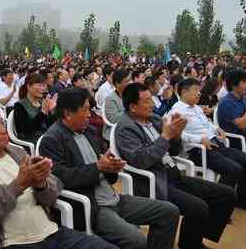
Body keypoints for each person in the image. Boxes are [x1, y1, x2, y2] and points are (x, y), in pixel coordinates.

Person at [0, 104, 119, 249]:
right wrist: (18, 185)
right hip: (12, 242)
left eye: (2, 123)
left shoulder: (17, 153)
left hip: (52, 233)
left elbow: (51, 198)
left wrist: (41, 184)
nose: (4, 130)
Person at [39, 87, 179, 249]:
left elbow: (104, 169)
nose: (89, 114)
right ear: (68, 113)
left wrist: (111, 167)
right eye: (84, 110)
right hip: (93, 207)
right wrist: (99, 167)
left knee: (169, 212)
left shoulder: (89, 131)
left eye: (89, 109)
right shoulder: (52, 140)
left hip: (114, 197)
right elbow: (63, 178)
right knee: (138, 240)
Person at [115, 83, 236, 249]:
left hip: (173, 174)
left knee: (226, 194)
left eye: (151, 99)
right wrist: (165, 136)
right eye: (146, 101)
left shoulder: (155, 119)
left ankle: (193, 239)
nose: (152, 104)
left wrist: (176, 135)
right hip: (154, 181)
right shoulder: (125, 127)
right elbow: (140, 160)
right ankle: (191, 243)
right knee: (198, 207)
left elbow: (174, 151)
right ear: (133, 107)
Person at [170, 78, 246, 210]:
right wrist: (198, 139)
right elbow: (177, 134)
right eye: (196, 90)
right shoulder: (177, 111)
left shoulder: (196, 108)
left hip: (216, 144)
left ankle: (241, 198)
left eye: (199, 90)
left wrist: (217, 128)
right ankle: (220, 205)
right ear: (184, 92)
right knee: (234, 169)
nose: (199, 93)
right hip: (199, 150)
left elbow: (207, 124)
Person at [14, 74, 57, 144]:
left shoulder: (42, 103)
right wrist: (42, 113)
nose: (43, 89)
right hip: (32, 141)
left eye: (44, 86)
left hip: (45, 137)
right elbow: (25, 130)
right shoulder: (19, 105)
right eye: (40, 85)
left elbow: (50, 126)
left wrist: (52, 111)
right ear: (29, 86)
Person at [217, 69, 246, 150]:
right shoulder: (226, 102)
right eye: (244, 83)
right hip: (238, 139)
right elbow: (241, 125)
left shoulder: (242, 98)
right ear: (234, 85)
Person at [102, 69, 131, 140]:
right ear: (118, 84)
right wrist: (131, 109)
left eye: (129, 81)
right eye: (126, 82)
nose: (129, 83)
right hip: (115, 130)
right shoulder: (110, 98)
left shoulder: (129, 94)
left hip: (129, 126)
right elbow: (114, 119)